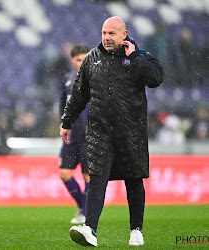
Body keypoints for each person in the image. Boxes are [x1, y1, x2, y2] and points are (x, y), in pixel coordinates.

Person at [60, 16, 164, 247]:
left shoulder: (138, 56)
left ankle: (136, 230)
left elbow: (156, 78)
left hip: (131, 132)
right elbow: (78, 95)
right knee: (97, 178)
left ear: (124, 35)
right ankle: (90, 229)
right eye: (104, 33)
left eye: (112, 34)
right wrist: (66, 122)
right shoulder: (91, 59)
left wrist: (134, 57)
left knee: (134, 180)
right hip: (100, 132)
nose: (106, 38)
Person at [59, 44, 90, 224]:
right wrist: (63, 122)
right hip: (71, 135)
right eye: (78, 59)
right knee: (64, 173)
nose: (81, 63)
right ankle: (82, 206)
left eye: (84, 59)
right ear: (72, 60)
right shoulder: (67, 79)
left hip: (88, 135)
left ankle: (85, 213)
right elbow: (63, 104)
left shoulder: (94, 79)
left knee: (87, 176)